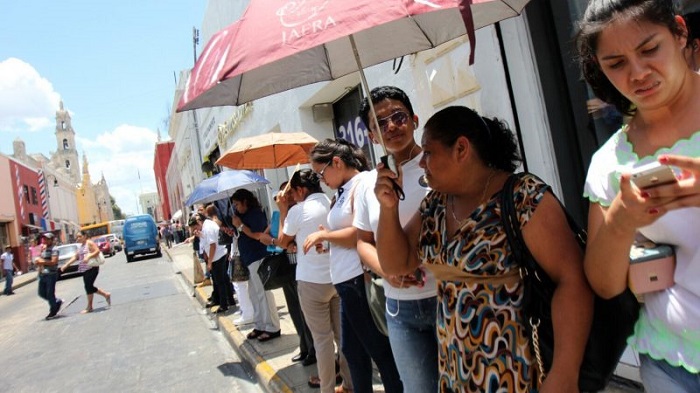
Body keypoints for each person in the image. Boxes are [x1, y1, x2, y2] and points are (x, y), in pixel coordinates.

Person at [374, 106, 593, 392]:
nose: (423, 163)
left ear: (461, 149)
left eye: (429, 153)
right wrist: (388, 208)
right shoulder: (436, 205)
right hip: (458, 372)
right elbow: (396, 264)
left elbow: (572, 280)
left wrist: (565, 372)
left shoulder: (521, 196)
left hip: (517, 370)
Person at [576, 1, 700, 391]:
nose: (638, 73)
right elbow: (605, 284)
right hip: (670, 363)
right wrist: (620, 220)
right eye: (616, 63)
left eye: (649, 50)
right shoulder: (610, 161)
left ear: (679, 32)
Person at [354, 86, 438, 392]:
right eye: (380, 123)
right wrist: (387, 269)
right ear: (372, 136)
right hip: (400, 310)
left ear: (414, 120)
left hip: (446, 297)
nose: (391, 126)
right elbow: (362, 241)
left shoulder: (437, 167)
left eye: (399, 116)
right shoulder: (367, 185)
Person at [306, 138, 403, 393]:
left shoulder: (362, 184)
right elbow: (346, 234)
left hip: (359, 279)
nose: (322, 180)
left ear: (336, 162)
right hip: (346, 281)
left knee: (380, 353)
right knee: (352, 351)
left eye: (321, 173)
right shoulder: (343, 190)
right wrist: (328, 242)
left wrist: (325, 236)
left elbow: (362, 234)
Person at [261, 171, 352, 393]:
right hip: (336, 277)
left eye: (293, 191)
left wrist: (283, 211)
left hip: (311, 282)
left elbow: (282, 241)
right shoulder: (332, 202)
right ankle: (349, 385)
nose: (292, 196)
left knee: (322, 340)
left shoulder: (298, 211)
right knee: (342, 337)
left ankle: (327, 388)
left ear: (301, 190)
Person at [230, 189, 281, 341]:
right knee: (253, 293)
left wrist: (240, 226)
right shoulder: (241, 216)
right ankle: (260, 324)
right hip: (249, 258)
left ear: (245, 201)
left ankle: (272, 326)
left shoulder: (255, 214)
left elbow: (258, 235)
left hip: (258, 256)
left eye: (238, 204)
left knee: (263, 293)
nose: (236, 207)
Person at [189, 212, 232, 313]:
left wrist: (209, 262)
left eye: (195, 227)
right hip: (218, 255)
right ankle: (227, 300)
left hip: (217, 256)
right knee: (222, 280)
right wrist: (200, 235)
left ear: (199, 222)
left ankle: (223, 305)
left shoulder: (207, 227)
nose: (195, 230)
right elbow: (208, 241)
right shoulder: (206, 225)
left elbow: (213, 245)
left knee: (220, 282)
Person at [60, 231, 111, 313]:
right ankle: (105, 295)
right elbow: (75, 257)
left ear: (85, 236)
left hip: (92, 268)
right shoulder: (81, 246)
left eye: (80, 236)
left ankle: (90, 306)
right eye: (77, 237)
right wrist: (66, 265)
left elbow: (97, 251)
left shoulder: (89, 243)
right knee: (88, 287)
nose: (78, 238)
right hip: (85, 269)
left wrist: (89, 256)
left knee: (88, 287)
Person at [35, 233, 64, 320]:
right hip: (43, 274)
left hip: (51, 274)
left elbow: (53, 262)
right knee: (41, 293)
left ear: (51, 239)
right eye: (44, 239)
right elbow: (40, 258)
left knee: (50, 293)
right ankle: (56, 302)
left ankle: (53, 311)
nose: (45, 240)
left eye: (47, 239)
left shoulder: (54, 249)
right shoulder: (44, 248)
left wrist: (41, 262)